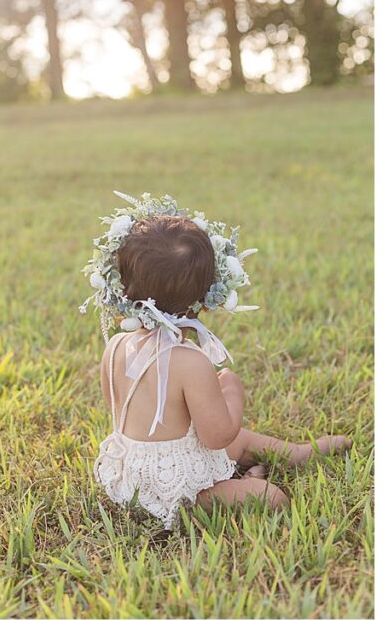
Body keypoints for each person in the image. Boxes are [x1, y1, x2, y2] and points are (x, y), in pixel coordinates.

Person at [81, 192, 349, 530]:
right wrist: (231, 394)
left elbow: (117, 407)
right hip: (175, 490)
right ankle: (236, 485)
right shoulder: (189, 362)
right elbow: (217, 436)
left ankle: (294, 452)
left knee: (243, 442)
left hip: (130, 472)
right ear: (204, 299)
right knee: (270, 496)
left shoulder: (116, 345)